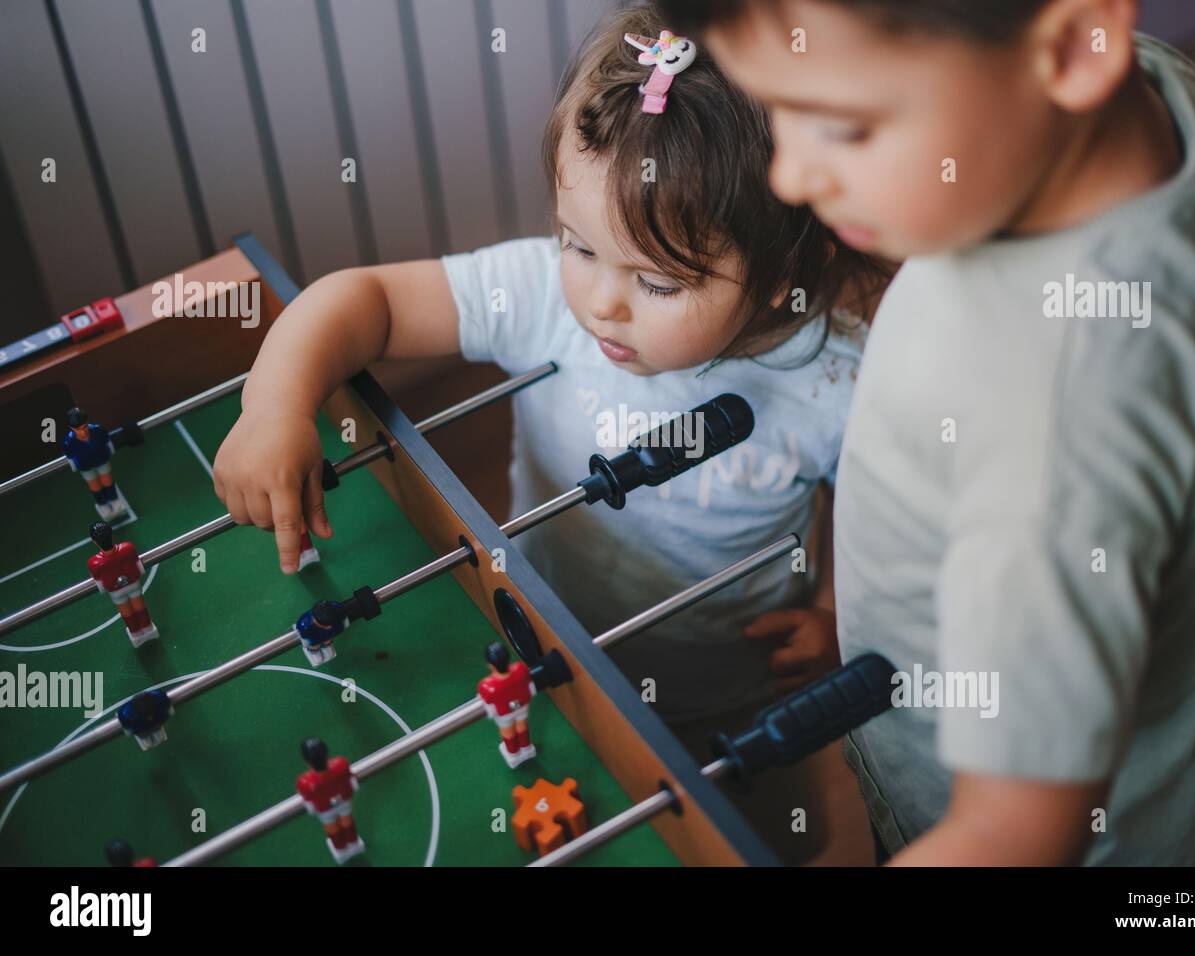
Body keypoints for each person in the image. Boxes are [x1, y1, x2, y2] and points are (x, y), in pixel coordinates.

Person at [212, 3, 889, 862]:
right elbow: (365, 300)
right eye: (578, 243)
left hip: (737, 697)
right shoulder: (539, 297)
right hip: (550, 653)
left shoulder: (835, 376)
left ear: (779, 269)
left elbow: (867, 513)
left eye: (658, 280)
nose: (602, 301)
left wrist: (837, 610)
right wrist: (273, 405)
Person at [663, 0, 1195, 864]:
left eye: (843, 127)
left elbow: (1016, 833)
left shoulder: (1058, 423)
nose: (789, 176)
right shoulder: (1162, 92)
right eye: (777, 108)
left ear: (1076, 46)